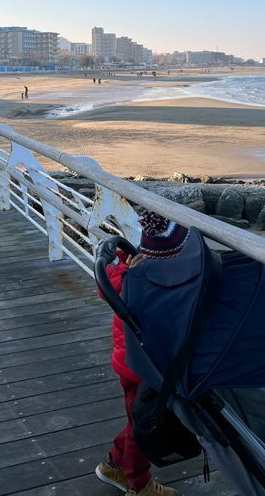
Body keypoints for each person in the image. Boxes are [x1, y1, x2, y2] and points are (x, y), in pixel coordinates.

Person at [95, 210, 183, 496]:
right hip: (140, 367)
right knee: (141, 427)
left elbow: (107, 285)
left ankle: (113, 464)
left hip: (127, 362)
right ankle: (139, 485)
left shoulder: (125, 274)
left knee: (135, 419)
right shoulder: (145, 283)